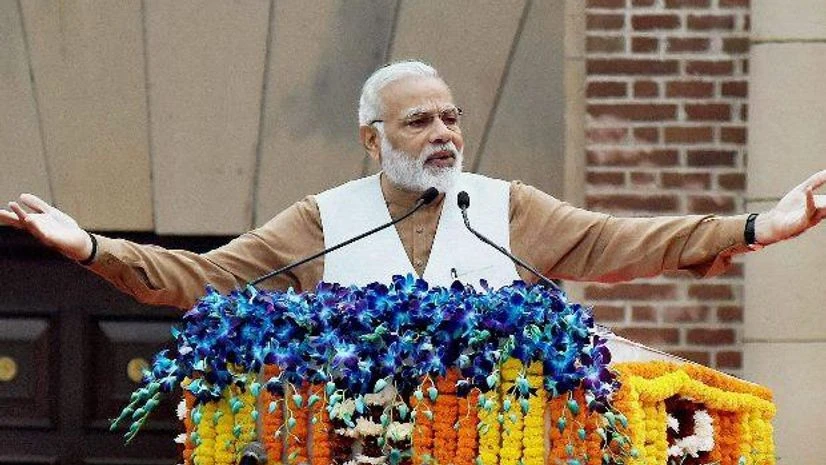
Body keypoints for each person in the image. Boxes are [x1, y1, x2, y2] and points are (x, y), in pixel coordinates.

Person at [2, 61, 825, 310]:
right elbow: (208, 279)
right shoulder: (325, 220)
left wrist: (762, 226)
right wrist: (92, 247)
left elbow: (626, 241)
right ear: (373, 138)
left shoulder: (509, 206)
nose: (444, 135)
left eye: (450, 117)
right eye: (419, 122)